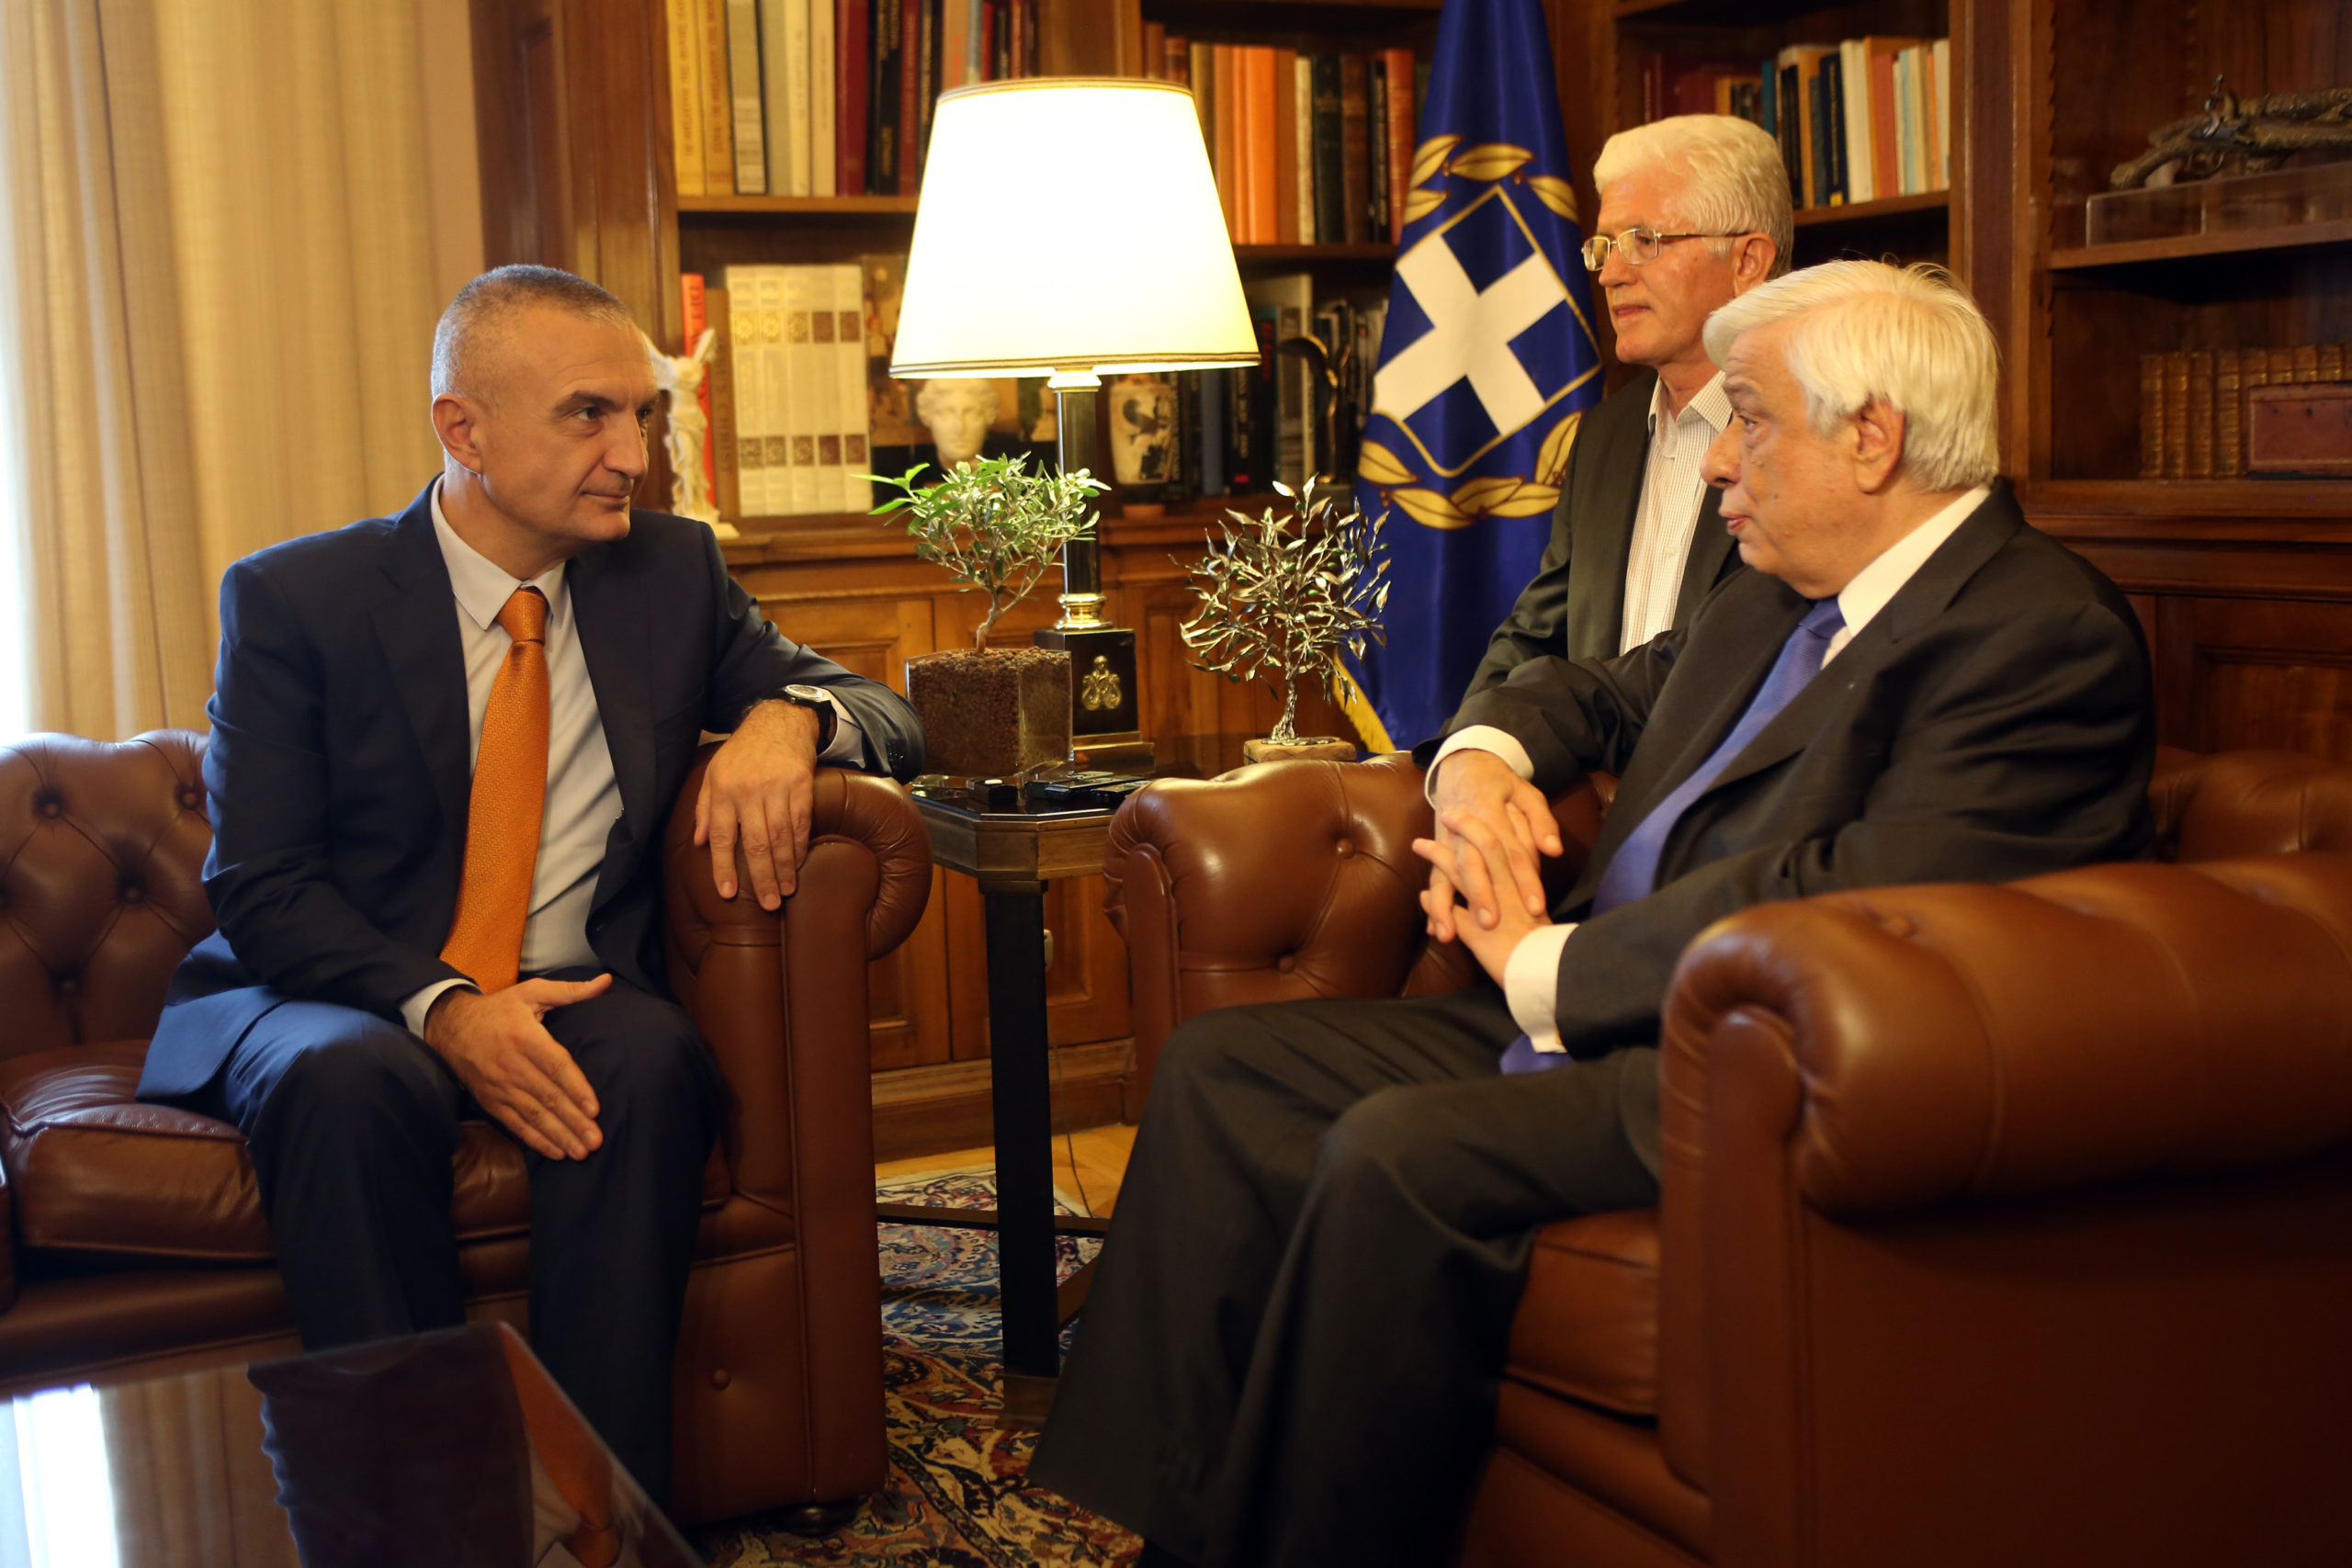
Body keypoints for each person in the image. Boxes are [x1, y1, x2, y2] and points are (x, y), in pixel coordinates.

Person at [1029, 261, 2156, 1568]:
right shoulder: (1778, 595)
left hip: (1753, 1070)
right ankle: (1178, 1525)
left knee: (1395, 1150)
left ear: (1872, 436)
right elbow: (1601, 690)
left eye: (1749, 419)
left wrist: (1551, 963)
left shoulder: (2037, 635)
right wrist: (1480, 764)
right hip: (1601, 1010)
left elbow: (1864, 893)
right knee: (1227, 1069)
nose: (1717, 460)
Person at [136, 265, 923, 1496]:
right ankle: (413, 1511)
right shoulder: (298, 599)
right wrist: (448, 1009)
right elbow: (265, 884)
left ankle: (599, 1506)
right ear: (464, 429)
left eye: (642, 414)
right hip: (335, 989)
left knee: (653, 1060)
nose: (633, 455)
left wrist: (786, 720)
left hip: (572, 981)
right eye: (588, 415)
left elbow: (883, 708)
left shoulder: (668, 573)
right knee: (348, 1081)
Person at [1466, 114, 1791, 691]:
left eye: (1645, 242)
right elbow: (1538, 639)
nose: (1610, 274)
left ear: (1747, 261)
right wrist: (1467, 738)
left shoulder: (1811, 433)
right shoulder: (1605, 433)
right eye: (1605, 247)